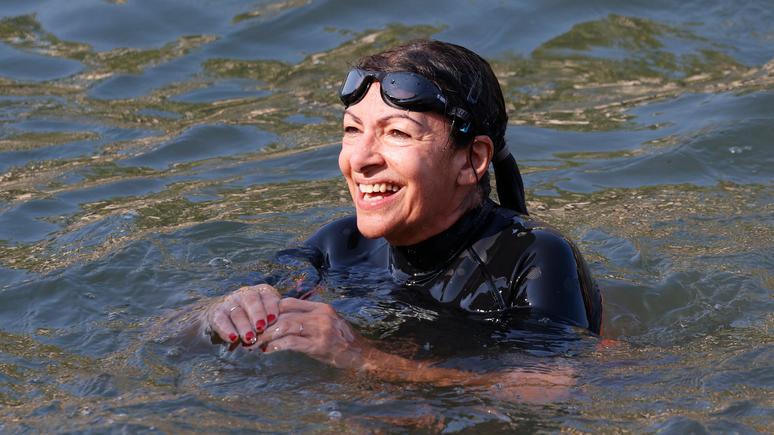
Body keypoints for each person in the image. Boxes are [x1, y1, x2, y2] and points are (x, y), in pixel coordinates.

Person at [204, 39, 603, 384]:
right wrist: (227, 310)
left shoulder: (531, 256)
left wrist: (359, 356)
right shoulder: (338, 245)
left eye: (397, 133)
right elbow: (175, 330)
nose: (359, 159)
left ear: (471, 160)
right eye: (352, 130)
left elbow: (546, 388)